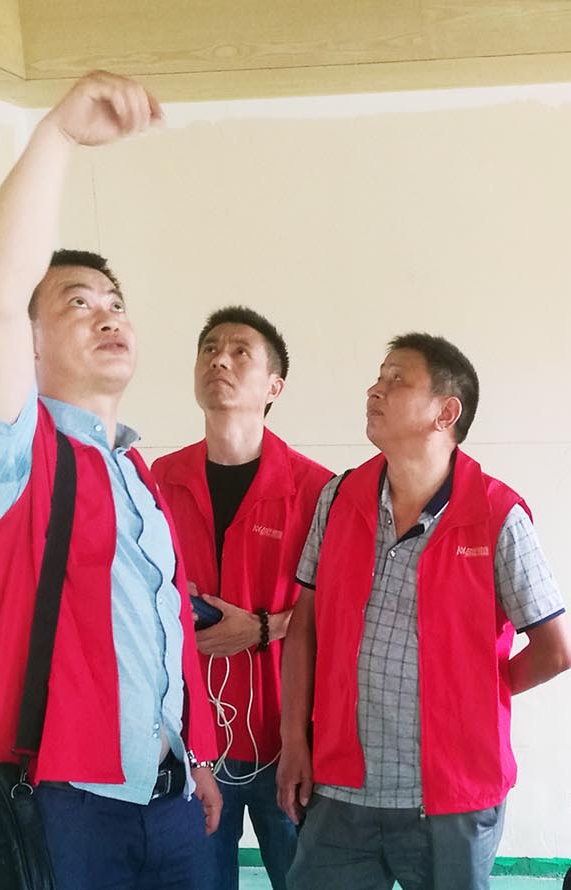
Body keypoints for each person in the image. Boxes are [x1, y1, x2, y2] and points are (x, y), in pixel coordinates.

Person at [0, 71, 221, 888]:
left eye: (115, 301)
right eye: (77, 303)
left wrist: (195, 755)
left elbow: (163, 626)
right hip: (52, 803)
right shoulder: (8, 456)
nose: (109, 313)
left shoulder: (134, 472)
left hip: (168, 799)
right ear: (28, 343)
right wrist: (57, 136)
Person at [278, 332, 571, 890]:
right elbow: (304, 629)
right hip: (341, 788)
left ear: (446, 412)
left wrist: (473, 698)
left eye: (397, 380)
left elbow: (556, 651)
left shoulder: (496, 515)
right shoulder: (338, 500)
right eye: (378, 377)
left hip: (451, 798)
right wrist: (294, 739)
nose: (375, 390)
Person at [151, 306, 331, 889]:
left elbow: (345, 610)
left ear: (274, 386)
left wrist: (261, 628)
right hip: (190, 741)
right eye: (209, 349)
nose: (219, 360)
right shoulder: (159, 479)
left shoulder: (317, 489)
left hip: (289, 740)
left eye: (239, 352)